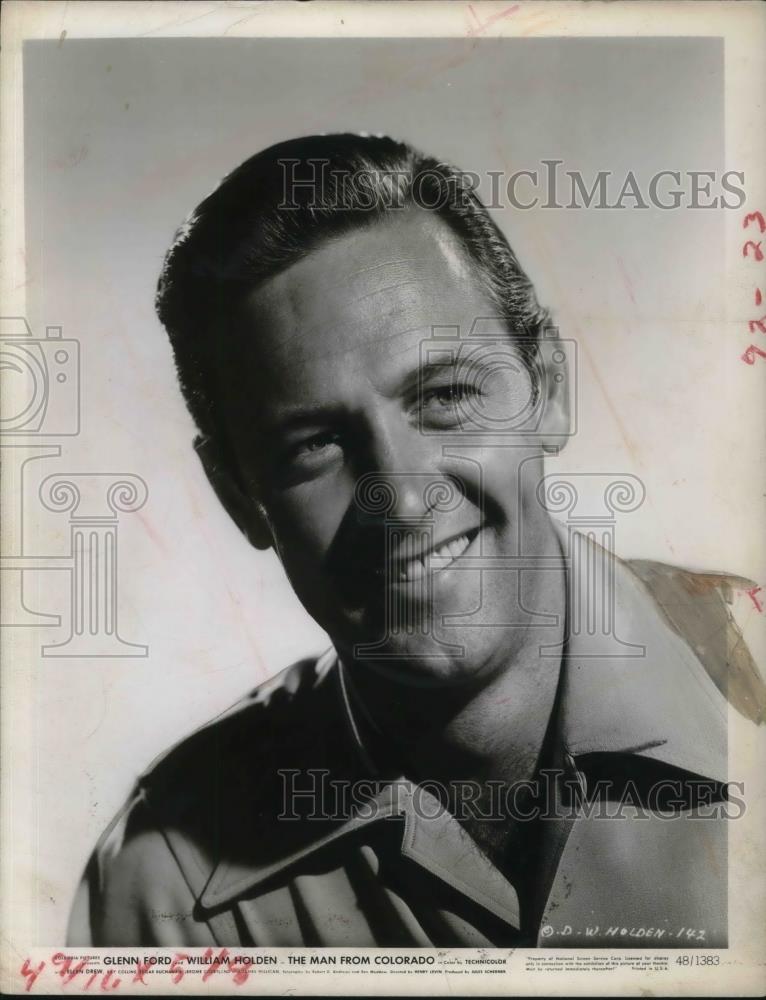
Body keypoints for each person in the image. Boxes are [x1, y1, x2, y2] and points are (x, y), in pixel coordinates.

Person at [68, 134, 761, 948]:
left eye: (446, 395)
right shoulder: (167, 889)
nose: (399, 496)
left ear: (548, 389)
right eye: (314, 444)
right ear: (237, 497)